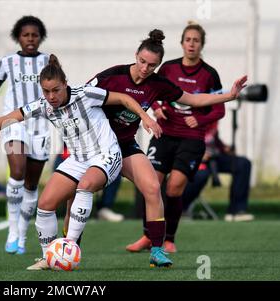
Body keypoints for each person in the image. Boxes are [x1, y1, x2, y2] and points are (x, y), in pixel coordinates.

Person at [0, 54, 163, 270]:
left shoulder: (85, 94)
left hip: (106, 155)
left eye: (56, 90)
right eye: (46, 91)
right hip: (77, 159)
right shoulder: (43, 105)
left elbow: (124, 99)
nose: (51, 96)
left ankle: (69, 249)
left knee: (84, 187)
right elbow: (10, 117)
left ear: (65, 85)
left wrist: (146, 117)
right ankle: (49, 257)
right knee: (45, 205)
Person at [64, 29, 246, 262]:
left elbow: (193, 99)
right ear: (136, 55)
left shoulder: (158, 83)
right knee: (75, 192)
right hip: (97, 146)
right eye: (142, 61)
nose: (144, 68)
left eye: (151, 65)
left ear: (158, 65)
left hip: (125, 146)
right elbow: (80, 97)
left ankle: (157, 250)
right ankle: (69, 246)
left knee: (152, 187)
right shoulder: (113, 76)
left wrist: (229, 96)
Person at [127, 22, 225, 253]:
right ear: (181, 43)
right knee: (150, 185)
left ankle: (169, 239)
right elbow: (152, 92)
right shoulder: (168, 68)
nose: (191, 44)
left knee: (174, 189)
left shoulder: (210, 74)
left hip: (191, 138)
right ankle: (147, 236)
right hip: (164, 134)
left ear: (202, 45)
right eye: (188, 40)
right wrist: (157, 107)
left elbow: (218, 109)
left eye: (196, 40)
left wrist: (200, 120)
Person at [0, 16, 50, 255]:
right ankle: (12, 229)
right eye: (26, 35)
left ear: (40, 37)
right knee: (17, 171)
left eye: (35, 35)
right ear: (18, 37)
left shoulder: (48, 60)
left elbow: (58, 89)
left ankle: (22, 236)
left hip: (41, 127)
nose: (30, 39)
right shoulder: (8, 62)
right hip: (14, 123)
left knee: (32, 186)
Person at [182, 121, 254, 222]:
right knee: (201, 175)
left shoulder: (215, 114)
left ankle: (237, 211)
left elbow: (212, 138)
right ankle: (180, 209)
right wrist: (196, 154)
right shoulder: (189, 115)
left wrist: (224, 148)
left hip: (213, 157)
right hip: (193, 157)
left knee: (243, 164)